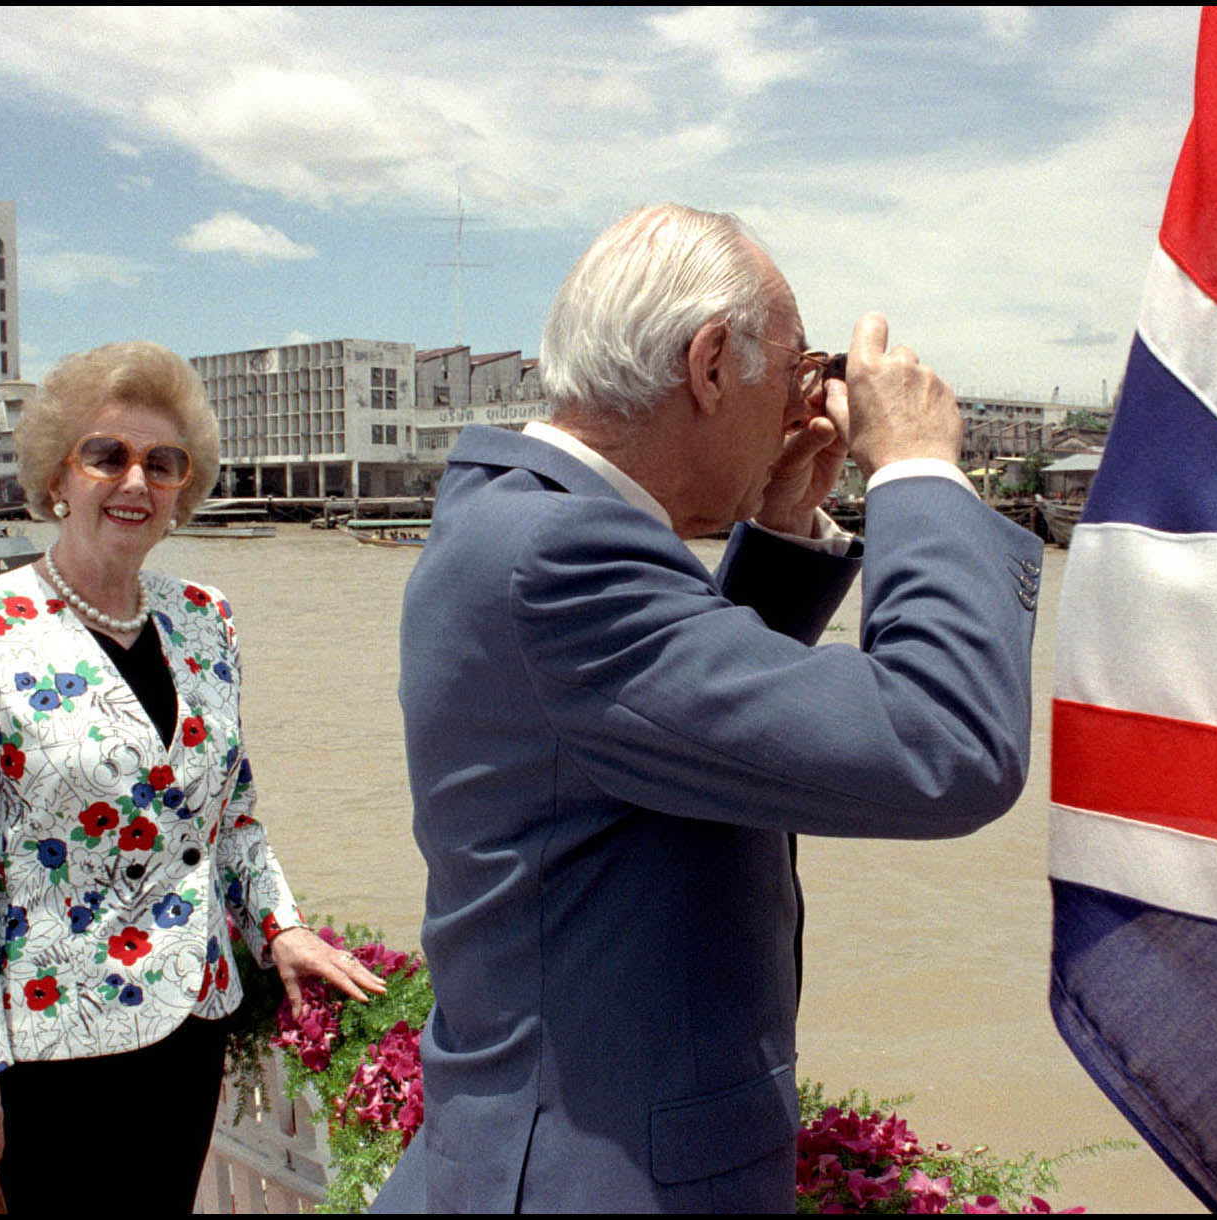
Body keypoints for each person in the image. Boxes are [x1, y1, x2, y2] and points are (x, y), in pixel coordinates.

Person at [375, 204, 1045, 1212]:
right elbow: (943, 743)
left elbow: (665, 752)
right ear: (709, 365)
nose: (797, 407)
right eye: (792, 369)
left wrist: (778, 535)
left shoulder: (518, 522)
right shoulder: (557, 556)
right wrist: (915, 466)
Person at [0, 340, 386, 1211]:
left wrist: (280, 928)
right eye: (106, 456)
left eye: (162, 464)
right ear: (57, 476)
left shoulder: (205, 619)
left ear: (183, 491)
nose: (134, 483)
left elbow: (230, 814)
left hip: (188, 1027)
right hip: (45, 1047)